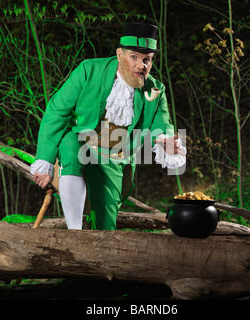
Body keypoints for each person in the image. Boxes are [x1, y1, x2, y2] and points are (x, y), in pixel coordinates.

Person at [30, 22, 186, 230]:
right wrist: (45, 159)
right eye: (134, 57)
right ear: (120, 54)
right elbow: (57, 111)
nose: (142, 65)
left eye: (147, 59)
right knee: (70, 144)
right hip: (80, 145)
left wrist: (166, 142)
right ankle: (74, 231)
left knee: (105, 228)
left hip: (115, 160)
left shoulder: (155, 90)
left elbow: (162, 125)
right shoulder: (89, 70)